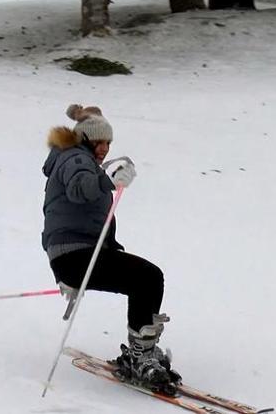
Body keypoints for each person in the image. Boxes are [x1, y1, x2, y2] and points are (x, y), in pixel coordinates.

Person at [41, 104, 180, 393]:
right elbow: (80, 188)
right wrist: (107, 180)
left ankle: (140, 351)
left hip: (76, 252)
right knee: (147, 278)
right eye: (99, 142)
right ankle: (139, 355)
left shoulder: (75, 158)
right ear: (85, 140)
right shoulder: (75, 159)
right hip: (75, 254)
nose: (104, 149)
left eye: (108, 143)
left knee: (145, 278)